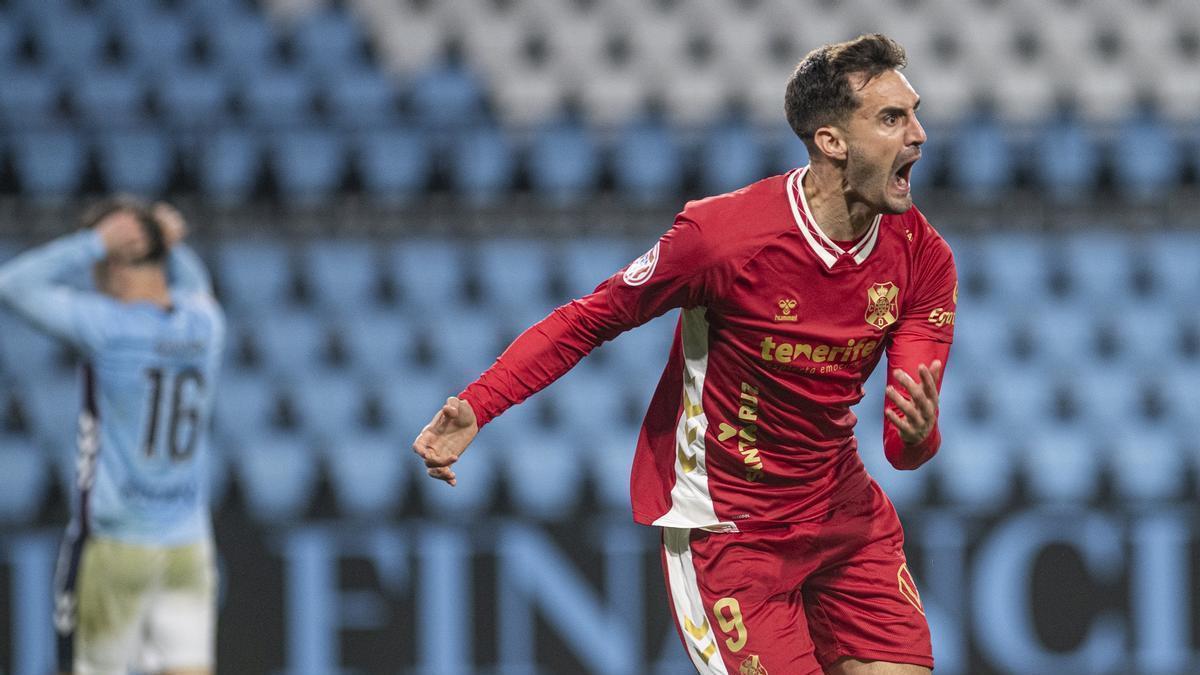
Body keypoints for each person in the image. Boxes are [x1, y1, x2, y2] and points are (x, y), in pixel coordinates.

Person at [413, 33, 955, 675]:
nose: (919, 133)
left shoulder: (923, 258)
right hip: (731, 530)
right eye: (892, 118)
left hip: (844, 514)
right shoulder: (723, 239)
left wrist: (921, 435)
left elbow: (903, 449)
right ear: (831, 141)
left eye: (914, 112)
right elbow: (591, 318)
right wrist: (479, 404)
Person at [0, 198, 225, 675]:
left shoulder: (108, 327)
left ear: (114, 263)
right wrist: (171, 244)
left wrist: (92, 243)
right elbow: (193, 284)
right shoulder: (205, 323)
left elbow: (13, 285)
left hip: (119, 543)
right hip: (188, 543)